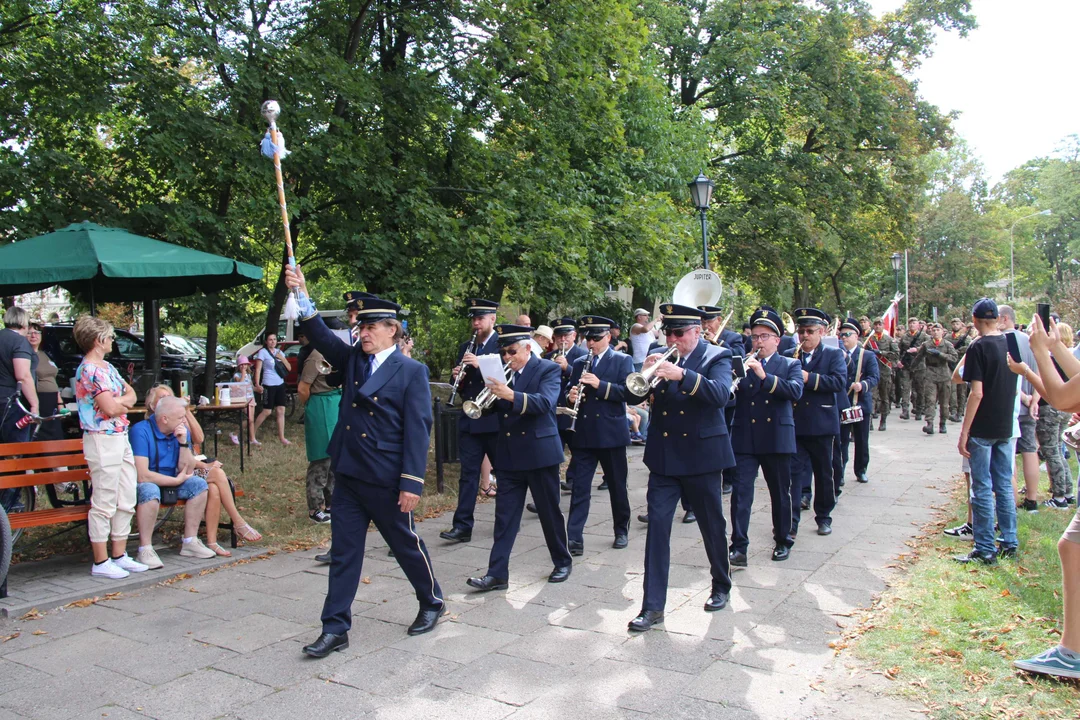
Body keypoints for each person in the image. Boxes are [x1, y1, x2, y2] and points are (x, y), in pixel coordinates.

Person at [286, 266, 445, 656]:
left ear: (393, 329)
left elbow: (418, 428)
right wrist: (303, 295)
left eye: (372, 326)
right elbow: (323, 336)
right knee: (344, 552)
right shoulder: (355, 358)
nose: (363, 333)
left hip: (387, 478)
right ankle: (335, 627)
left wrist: (411, 481)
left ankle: (432, 602)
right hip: (350, 473)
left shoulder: (411, 371)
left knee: (405, 545)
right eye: (361, 327)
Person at [627, 304, 734, 632]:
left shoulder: (718, 356)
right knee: (657, 528)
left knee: (711, 525)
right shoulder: (661, 355)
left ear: (697, 332)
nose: (672, 339)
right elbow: (635, 395)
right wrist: (647, 374)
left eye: (680, 333)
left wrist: (684, 375)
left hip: (703, 457)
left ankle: (721, 583)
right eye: (669, 332)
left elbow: (720, 396)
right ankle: (652, 607)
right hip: (665, 457)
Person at [466, 324, 573, 591]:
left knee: (549, 513)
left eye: (511, 351)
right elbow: (499, 409)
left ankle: (562, 561)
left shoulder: (546, 369)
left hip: (539, 454)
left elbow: (544, 404)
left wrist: (510, 394)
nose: (507, 358)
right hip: (510, 455)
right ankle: (497, 573)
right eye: (503, 353)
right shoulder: (506, 374)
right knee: (504, 517)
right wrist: (488, 399)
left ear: (527, 347)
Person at [143, 386, 261, 556]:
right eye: (163, 398)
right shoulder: (155, 427)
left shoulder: (179, 421)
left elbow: (199, 439)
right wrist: (205, 466)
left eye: (171, 396)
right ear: (153, 405)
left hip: (190, 467)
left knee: (213, 488)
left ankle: (212, 542)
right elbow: (177, 459)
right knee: (217, 474)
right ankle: (238, 522)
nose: (169, 400)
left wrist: (186, 411)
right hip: (181, 473)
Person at [72, 315, 146, 579]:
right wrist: (120, 402)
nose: (113, 340)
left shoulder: (108, 368)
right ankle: (101, 561)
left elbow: (133, 395)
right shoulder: (89, 370)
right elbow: (111, 406)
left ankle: (119, 554)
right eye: (110, 336)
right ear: (97, 340)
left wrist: (120, 401)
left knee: (126, 496)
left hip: (119, 434)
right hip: (101, 438)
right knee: (104, 500)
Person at [728, 307, 803, 568]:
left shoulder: (790, 364)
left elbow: (794, 392)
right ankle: (738, 547)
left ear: (777, 340)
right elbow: (727, 396)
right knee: (740, 493)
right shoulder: (741, 363)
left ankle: (783, 539)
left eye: (764, 336)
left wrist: (764, 375)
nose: (758, 341)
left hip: (776, 437)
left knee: (780, 492)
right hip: (745, 437)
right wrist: (735, 377)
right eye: (755, 336)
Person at [955, 298, 1018, 565]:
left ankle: (984, 547)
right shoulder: (1010, 342)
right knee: (1003, 484)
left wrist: (964, 431)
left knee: (981, 487)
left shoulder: (978, 346)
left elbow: (976, 392)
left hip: (983, 425)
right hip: (1005, 423)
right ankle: (1009, 541)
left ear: (975, 319)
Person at [564, 316, 634, 555]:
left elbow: (628, 393)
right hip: (584, 433)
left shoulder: (623, 360)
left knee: (617, 486)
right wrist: (570, 396)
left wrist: (599, 384)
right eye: (587, 338)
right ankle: (574, 537)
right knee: (580, 488)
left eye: (595, 338)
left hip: (611, 434)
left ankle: (621, 529)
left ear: (608, 337)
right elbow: (569, 390)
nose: (590, 343)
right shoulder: (580, 362)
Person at [130, 395, 219, 566]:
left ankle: (190, 541)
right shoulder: (141, 431)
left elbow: (187, 469)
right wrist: (176, 481)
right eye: (180, 417)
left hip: (173, 480)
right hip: (147, 483)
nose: (184, 421)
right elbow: (142, 475)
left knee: (198, 485)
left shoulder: (179, 431)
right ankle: (145, 549)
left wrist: (184, 443)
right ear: (164, 419)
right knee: (150, 489)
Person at [440, 299, 500, 544]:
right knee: (468, 474)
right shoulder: (467, 346)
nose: (476, 323)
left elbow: (505, 381)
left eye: (481, 318)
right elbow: (465, 387)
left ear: (492, 319)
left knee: (505, 474)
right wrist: (459, 377)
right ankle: (462, 525)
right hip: (471, 417)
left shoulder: (503, 343)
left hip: (495, 418)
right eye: (474, 319)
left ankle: (506, 521)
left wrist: (481, 364)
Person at [785, 308, 846, 535]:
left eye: (810, 331)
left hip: (821, 424)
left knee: (823, 473)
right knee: (793, 474)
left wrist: (809, 378)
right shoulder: (791, 354)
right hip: (795, 422)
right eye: (801, 331)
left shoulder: (833, 354)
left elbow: (838, 382)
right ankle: (791, 523)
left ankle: (824, 516)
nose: (805, 336)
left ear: (821, 332)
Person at [999, 304, 1040, 512]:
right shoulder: (1030, 340)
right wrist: (1035, 399)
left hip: (1013, 404)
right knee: (1030, 449)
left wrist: (1025, 398)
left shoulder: (1004, 341)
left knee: (1010, 455)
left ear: (1005, 319)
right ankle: (1032, 499)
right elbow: (1040, 369)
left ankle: (1010, 503)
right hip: (1033, 402)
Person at [298, 339, 339, 524]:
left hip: (334, 405)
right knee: (321, 459)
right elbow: (303, 388)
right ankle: (315, 508)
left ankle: (332, 503)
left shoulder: (335, 353)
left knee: (335, 458)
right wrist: (310, 407)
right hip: (321, 405)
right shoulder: (316, 357)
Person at [837, 318, 879, 485]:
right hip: (843, 403)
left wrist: (862, 385)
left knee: (861, 439)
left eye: (847, 334)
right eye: (841, 334)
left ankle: (861, 470)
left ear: (856, 336)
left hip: (860, 403)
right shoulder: (837, 355)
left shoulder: (866, 355)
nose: (844, 338)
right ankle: (839, 472)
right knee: (841, 440)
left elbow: (874, 377)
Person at [0, 306, 39, 444]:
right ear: (24, 322)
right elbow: (23, 376)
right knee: (16, 450)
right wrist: (34, 405)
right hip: (12, 402)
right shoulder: (19, 341)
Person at [914, 323, 958, 435]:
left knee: (944, 402)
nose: (936, 332)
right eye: (934, 330)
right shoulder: (926, 344)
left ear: (942, 332)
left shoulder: (947, 344)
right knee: (930, 400)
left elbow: (954, 357)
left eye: (938, 330)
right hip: (930, 374)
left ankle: (943, 423)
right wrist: (911, 368)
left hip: (944, 374)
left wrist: (940, 354)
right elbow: (918, 357)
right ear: (931, 332)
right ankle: (929, 423)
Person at [252, 332, 290, 445]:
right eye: (270, 339)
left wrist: (282, 358)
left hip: (280, 383)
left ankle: (282, 437)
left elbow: (289, 367)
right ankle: (252, 434)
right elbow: (258, 369)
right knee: (267, 411)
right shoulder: (262, 352)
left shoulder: (280, 352)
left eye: (274, 339)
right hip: (269, 384)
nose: (273, 341)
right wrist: (257, 384)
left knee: (281, 410)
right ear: (266, 341)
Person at [28, 321, 63, 441]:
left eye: (37, 332)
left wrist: (59, 402)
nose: (34, 335)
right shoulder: (26, 355)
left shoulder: (44, 354)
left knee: (56, 433)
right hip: (39, 399)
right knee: (42, 434)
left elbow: (53, 379)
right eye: (30, 333)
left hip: (52, 399)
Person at [867, 318, 898, 431]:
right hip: (872, 372)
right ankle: (869, 420)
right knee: (872, 397)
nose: (877, 326)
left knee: (885, 397)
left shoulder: (889, 340)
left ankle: (883, 420)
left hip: (885, 372)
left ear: (883, 325)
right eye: (875, 324)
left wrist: (881, 353)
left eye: (879, 324)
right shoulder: (869, 340)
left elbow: (896, 355)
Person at [897, 317, 927, 420]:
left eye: (914, 323)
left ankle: (919, 409)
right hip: (906, 365)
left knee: (919, 389)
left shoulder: (924, 336)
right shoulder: (904, 336)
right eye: (910, 323)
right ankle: (905, 410)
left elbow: (928, 348)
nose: (912, 325)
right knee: (905, 388)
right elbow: (899, 350)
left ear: (918, 325)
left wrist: (917, 349)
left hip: (919, 366)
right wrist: (898, 361)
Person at [229, 354, 259, 446]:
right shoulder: (237, 375)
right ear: (238, 366)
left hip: (251, 398)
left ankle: (252, 438)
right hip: (243, 399)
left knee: (252, 420)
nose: (243, 366)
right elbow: (240, 384)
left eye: (245, 364)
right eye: (241, 365)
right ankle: (235, 433)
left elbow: (251, 387)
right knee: (248, 419)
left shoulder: (249, 375)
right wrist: (242, 374)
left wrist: (257, 389)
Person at [948, 317, 972, 422]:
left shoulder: (966, 338)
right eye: (953, 324)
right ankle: (953, 411)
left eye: (957, 324)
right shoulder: (947, 337)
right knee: (951, 390)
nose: (955, 326)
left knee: (961, 391)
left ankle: (960, 411)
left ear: (961, 325)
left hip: (962, 366)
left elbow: (969, 349)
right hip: (950, 365)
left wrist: (956, 350)